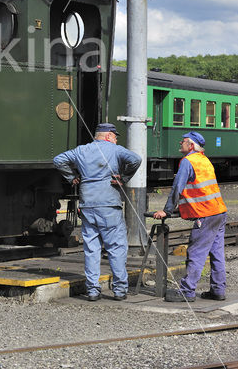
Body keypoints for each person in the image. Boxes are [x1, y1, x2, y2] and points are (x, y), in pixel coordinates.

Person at [53, 123, 141, 302]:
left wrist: (72, 177)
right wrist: (123, 178)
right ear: (109, 136)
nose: (116, 140)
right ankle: (119, 290)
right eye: (115, 136)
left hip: (87, 206)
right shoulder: (115, 150)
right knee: (116, 248)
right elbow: (136, 160)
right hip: (109, 205)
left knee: (91, 248)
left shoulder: (81, 150)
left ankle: (93, 290)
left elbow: (58, 160)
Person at [153, 131, 227, 302]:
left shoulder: (187, 162)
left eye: (184, 141)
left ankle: (187, 291)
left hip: (206, 214)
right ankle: (218, 290)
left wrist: (167, 210)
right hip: (219, 212)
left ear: (191, 145)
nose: (180, 143)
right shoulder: (204, 160)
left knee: (196, 252)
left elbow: (177, 188)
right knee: (217, 253)